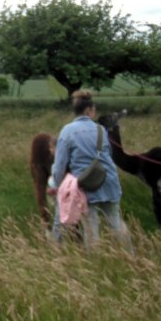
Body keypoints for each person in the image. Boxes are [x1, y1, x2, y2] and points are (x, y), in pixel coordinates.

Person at [50, 90, 132, 250]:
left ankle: (95, 259)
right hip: (109, 181)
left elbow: (60, 165)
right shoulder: (101, 130)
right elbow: (108, 155)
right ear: (89, 110)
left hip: (86, 185)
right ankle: (130, 255)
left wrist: (58, 184)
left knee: (91, 226)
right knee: (116, 221)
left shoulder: (67, 131)